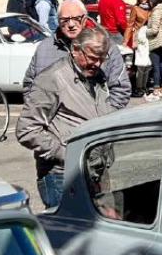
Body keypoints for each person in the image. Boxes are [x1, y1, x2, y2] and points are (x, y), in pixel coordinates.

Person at [18, 29, 117, 208]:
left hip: (95, 171)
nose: (97, 64)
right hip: (62, 176)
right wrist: (67, 154)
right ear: (75, 50)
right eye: (92, 57)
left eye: (102, 58)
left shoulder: (97, 76)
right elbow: (27, 130)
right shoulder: (52, 78)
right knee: (69, 226)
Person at [22, 0, 131, 109]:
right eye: (65, 20)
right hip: (53, 118)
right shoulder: (45, 48)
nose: (71, 24)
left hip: (94, 117)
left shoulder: (105, 46)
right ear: (58, 21)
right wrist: (39, 111)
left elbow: (121, 89)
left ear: (85, 19)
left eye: (76, 19)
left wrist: (104, 115)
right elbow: (29, 85)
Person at [126, 0, 154, 95]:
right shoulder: (136, 8)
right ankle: (139, 87)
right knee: (141, 64)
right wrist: (129, 40)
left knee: (148, 64)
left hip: (150, 37)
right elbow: (130, 24)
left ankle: (145, 86)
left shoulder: (152, 8)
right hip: (140, 37)